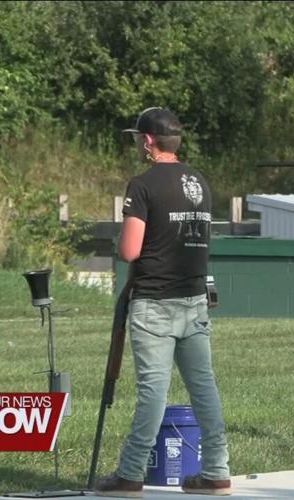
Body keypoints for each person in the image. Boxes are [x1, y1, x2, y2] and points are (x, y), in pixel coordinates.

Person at [94, 107, 232, 497]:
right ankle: (217, 471)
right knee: (204, 389)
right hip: (194, 299)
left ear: (149, 141)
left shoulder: (142, 184)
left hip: (154, 301)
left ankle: (131, 473)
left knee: (152, 393)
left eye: (139, 137)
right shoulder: (200, 182)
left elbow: (130, 250)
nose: (138, 143)